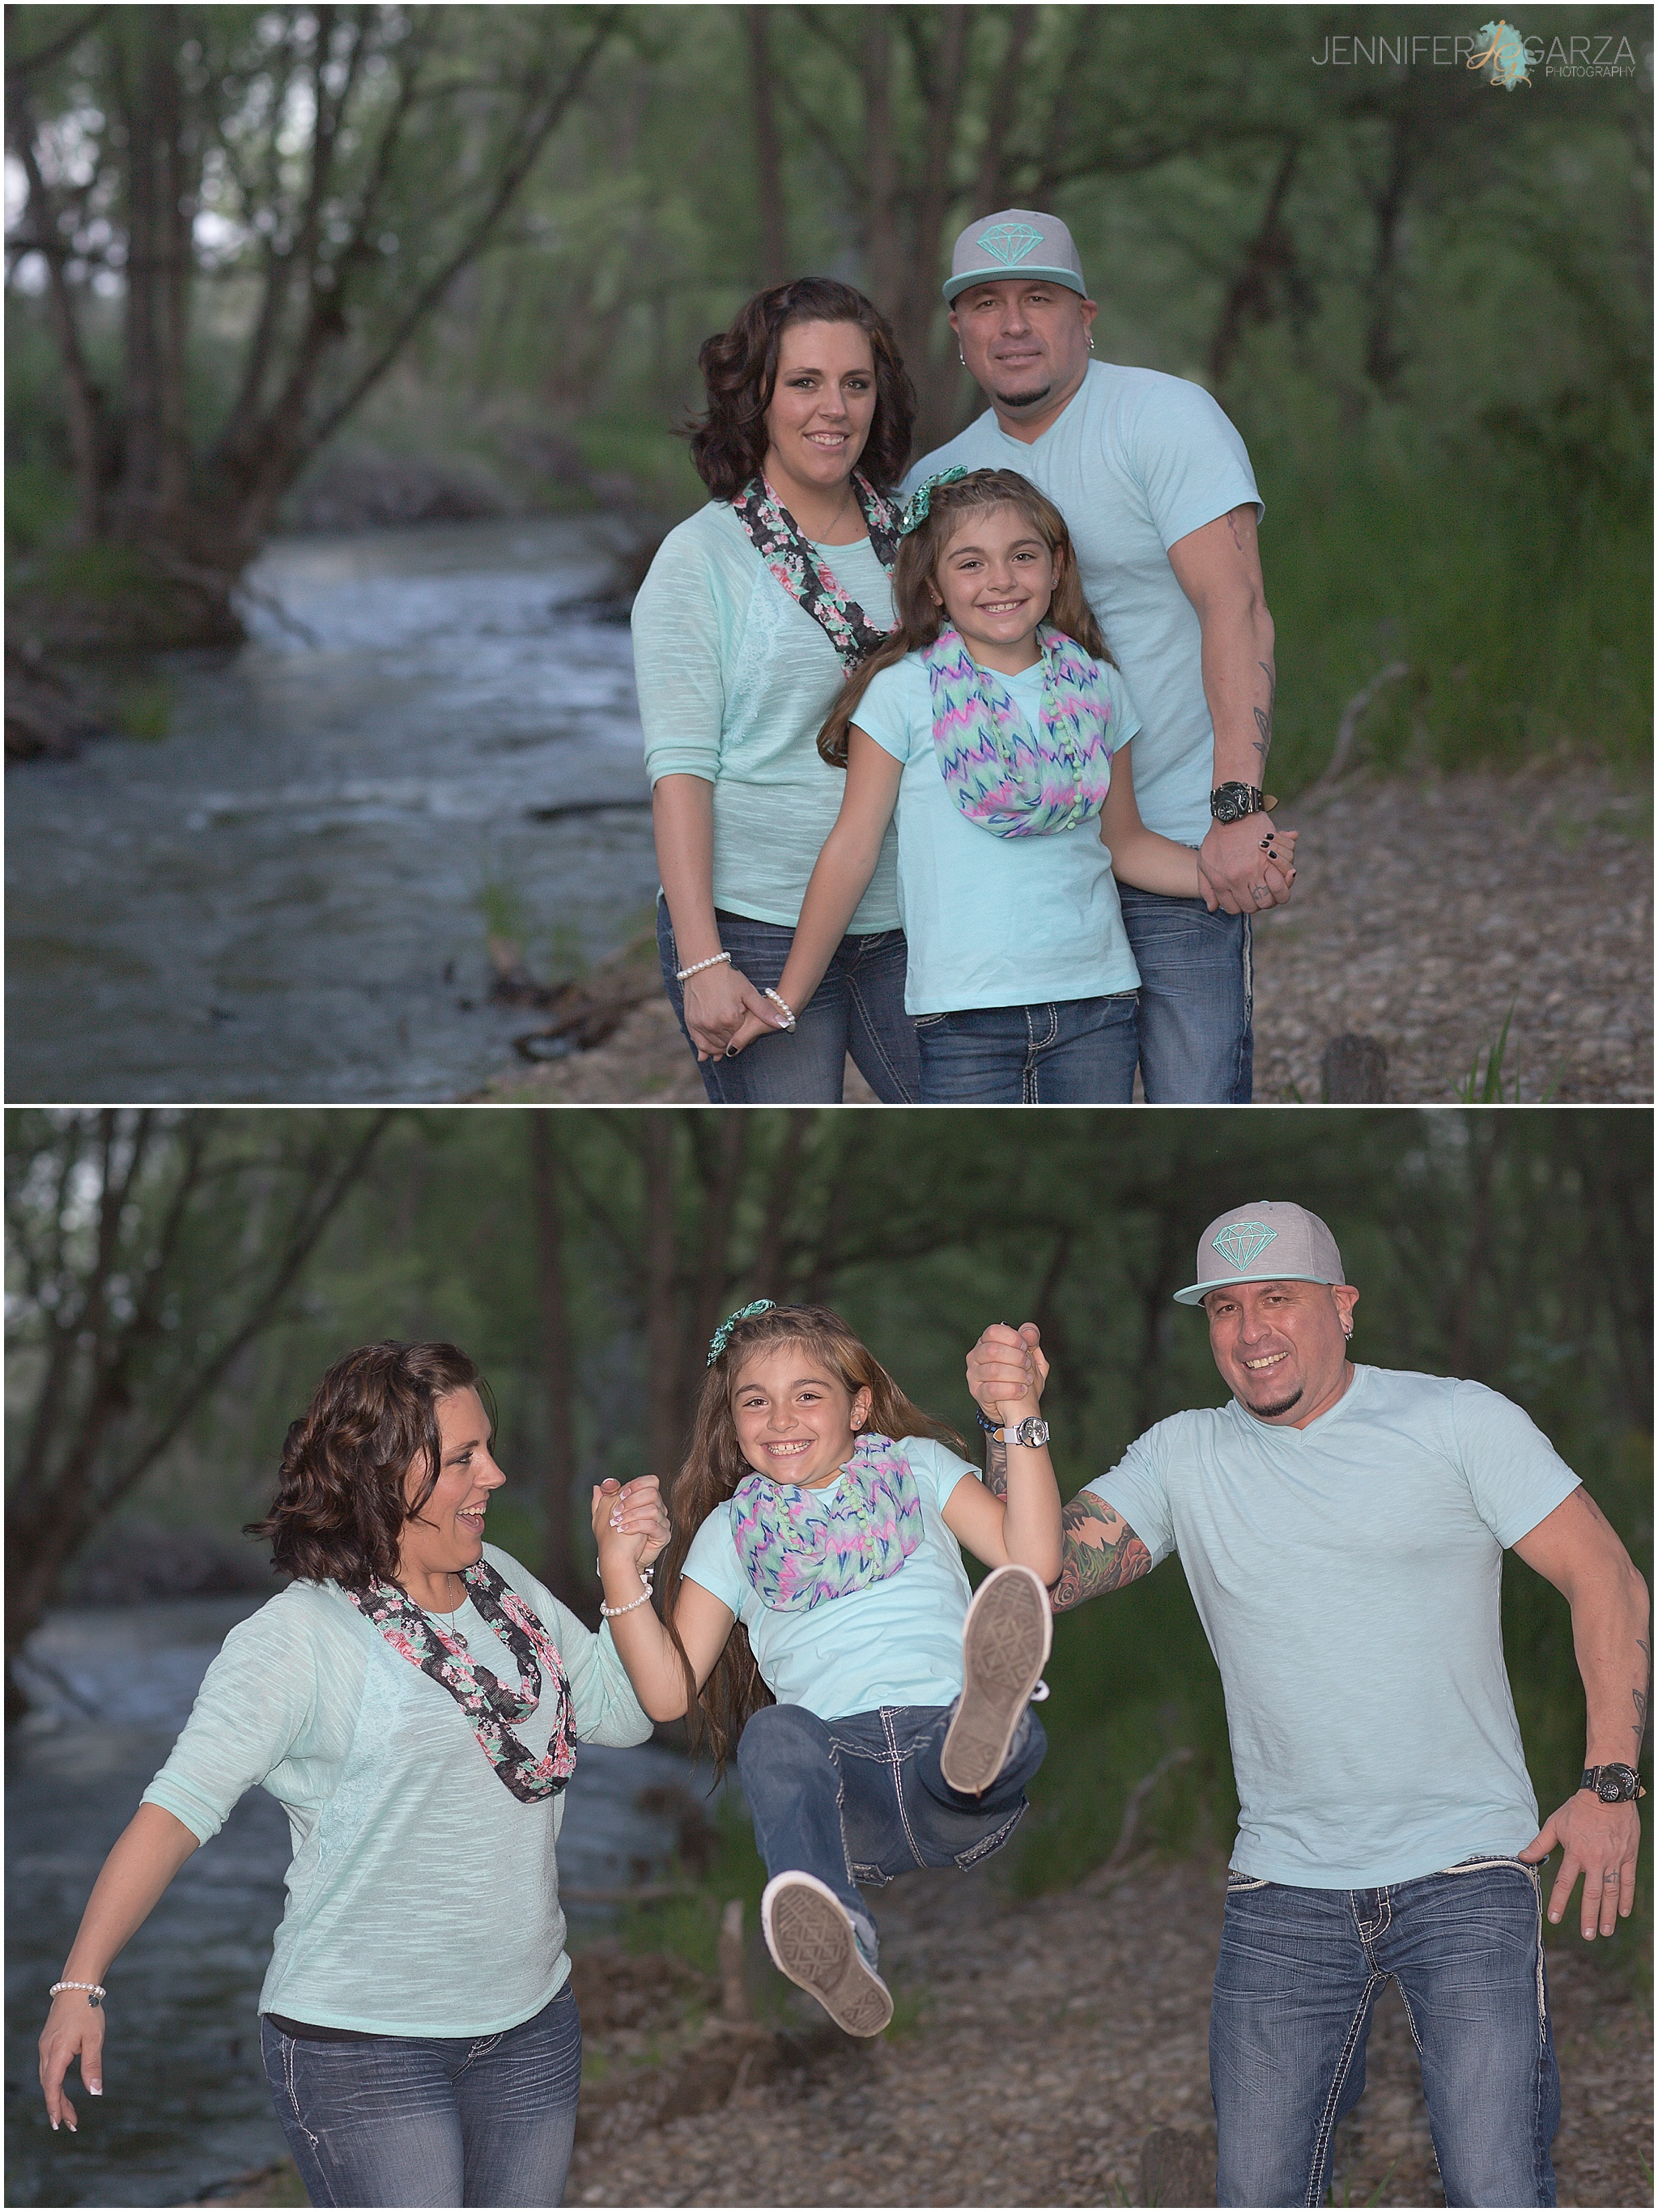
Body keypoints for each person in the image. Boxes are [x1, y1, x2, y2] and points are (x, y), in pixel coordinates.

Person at [966, 1202, 1650, 2209]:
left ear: (1342, 1305)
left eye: (1277, 1300)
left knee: (1495, 2183)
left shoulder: (1456, 1421)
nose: (1250, 1333)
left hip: (1466, 1870)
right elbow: (1045, 1578)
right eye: (1225, 1309)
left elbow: (1607, 1579)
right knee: (1256, 2195)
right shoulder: (1182, 1455)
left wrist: (1609, 1782)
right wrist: (1010, 1423)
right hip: (1280, 1890)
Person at [36, 1340, 670, 2210]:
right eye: (463, 1459)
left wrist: (623, 1576)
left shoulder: (504, 1587)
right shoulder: (295, 1639)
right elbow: (176, 1810)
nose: (497, 1473)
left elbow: (623, 1716)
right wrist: (80, 1983)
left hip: (531, 2023)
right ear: (382, 1474)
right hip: (361, 2045)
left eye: (487, 1447)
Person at [728, 466, 1295, 1102]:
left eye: (1022, 557)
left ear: (1055, 568)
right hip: (963, 1012)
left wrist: (1234, 872)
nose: (1001, 580)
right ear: (934, 586)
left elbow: (1126, 842)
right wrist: (789, 995)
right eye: (970, 564)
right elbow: (853, 849)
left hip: (1097, 1002)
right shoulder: (904, 693)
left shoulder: (1099, 687)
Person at [589, 1299, 1061, 2035]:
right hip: (851, 1789)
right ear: (733, 1422)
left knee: (987, 1733)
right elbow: (668, 1693)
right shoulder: (728, 1534)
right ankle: (841, 1933)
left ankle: (986, 1732)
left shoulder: (920, 1469)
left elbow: (1032, 1561)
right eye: (756, 1401)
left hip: (953, 1763)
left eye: (807, 1394)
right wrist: (620, 1571)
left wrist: (1019, 1414)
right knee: (774, 1732)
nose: (780, 1420)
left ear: (859, 1405)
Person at [906, 210, 1290, 1103]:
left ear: (1084, 316)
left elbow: (1235, 608)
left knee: (1196, 1097)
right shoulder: (937, 484)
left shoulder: (1165, 419)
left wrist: (1235, 809)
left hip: (1170, 838)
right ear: (957, 332)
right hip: (1024, 870)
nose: (1011, 325)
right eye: (984, 304)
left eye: (1037, 298)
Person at [632, 278, 922, 1103]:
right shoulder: (700, 559)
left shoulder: (919, 545)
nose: (832, 409)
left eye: (854, 384)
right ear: (754, 397)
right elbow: (679, 772)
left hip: (912, 918)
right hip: (752, 927)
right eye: (803, 383)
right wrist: (702, 962)